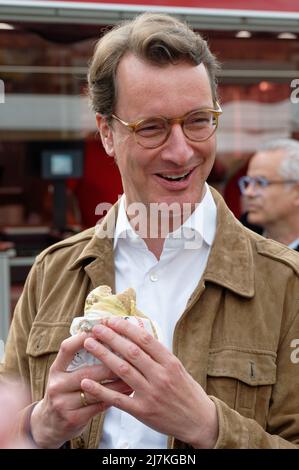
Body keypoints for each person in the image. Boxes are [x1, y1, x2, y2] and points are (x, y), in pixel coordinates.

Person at [1, 13, 299, 449]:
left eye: (198, 121)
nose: (181, 152)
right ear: (106, 132)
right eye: (152, 128)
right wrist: (37, 426)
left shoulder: (287, 282)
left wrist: (210, 427)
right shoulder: (52, 273)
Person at [239, 139, 299, 250]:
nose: (248, 192)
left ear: (296, 192)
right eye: (248, 182)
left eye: (261, 182)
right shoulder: (237, 236)